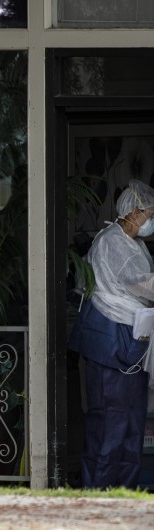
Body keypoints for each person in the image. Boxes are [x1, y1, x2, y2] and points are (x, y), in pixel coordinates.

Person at [68, 180, 154, 490]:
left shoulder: (136, 244)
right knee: (108, 428)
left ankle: (125, 497)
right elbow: (142, 284)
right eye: (148, 213)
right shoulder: (111, 242)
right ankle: (99, 501)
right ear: (133, 212)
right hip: (109, 340)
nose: (149, 221)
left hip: (132, 340)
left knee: (132, 427)